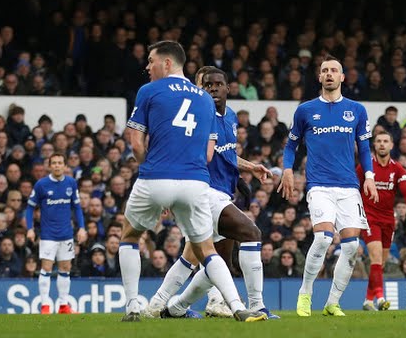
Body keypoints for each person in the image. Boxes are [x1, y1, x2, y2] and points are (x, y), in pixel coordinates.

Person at [118, 40, 265, 322]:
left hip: (157, 177)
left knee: (130, 237)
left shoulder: (149, 91)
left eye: (150, 61)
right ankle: (238, 307)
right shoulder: (204, 102)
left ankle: (133, 307)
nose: (147, 67)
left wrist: (152, 168)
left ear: (167, 63)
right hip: (196, 183)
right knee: (206, 251)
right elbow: (209, 153)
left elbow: (136, 144)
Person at [150, 67, 277, 319]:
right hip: (203, 193)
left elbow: (226, 153)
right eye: (207, 85)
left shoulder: (229, 116)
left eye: (218, 84)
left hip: (221, 193)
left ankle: (169, 306)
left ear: (228, 88)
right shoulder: (196, 118)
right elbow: (179, 153)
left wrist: (248, 168)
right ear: (199, 89)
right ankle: (256, 305)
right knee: (251, 233)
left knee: (213, 262)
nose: (213, 89)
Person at [278, 55, 378, 317]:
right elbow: (291, 145)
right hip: (319, 185)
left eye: (334, 70)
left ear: (343, 77)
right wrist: (287, 169)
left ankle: (332, 302)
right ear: (319, 77)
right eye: (325, 71)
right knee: (323, 238)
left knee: (351, 247)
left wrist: (369, 176)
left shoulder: (356, 110)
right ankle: (305, 294)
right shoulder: (305, 110)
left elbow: (365, 147)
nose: (330, 74)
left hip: (348, 187)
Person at [358, 131, 406, 311]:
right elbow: (354, 186)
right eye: (378, 141)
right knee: (376, 257)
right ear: (374, 145)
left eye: (386, 141)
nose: (382, 144)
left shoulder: (398, 169)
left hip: (388, 219)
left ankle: (368, 300)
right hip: (369, 217)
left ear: (392, 145)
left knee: (380, 263)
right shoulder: (365, 166)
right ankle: (380, 298)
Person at [25, 152, 86, 314]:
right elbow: (30, 207)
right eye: (54, 163)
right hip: (48, 235)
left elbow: (77, 207)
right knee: (46, 268)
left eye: (60, 163)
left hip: (66, 234)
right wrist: (30, 228)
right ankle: (45, 305)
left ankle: (63, 305)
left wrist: (82, 227)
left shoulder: (71, 183)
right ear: (49, 166)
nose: (57, 166)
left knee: (65, 268)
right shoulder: (41, 185)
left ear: (65, 166)